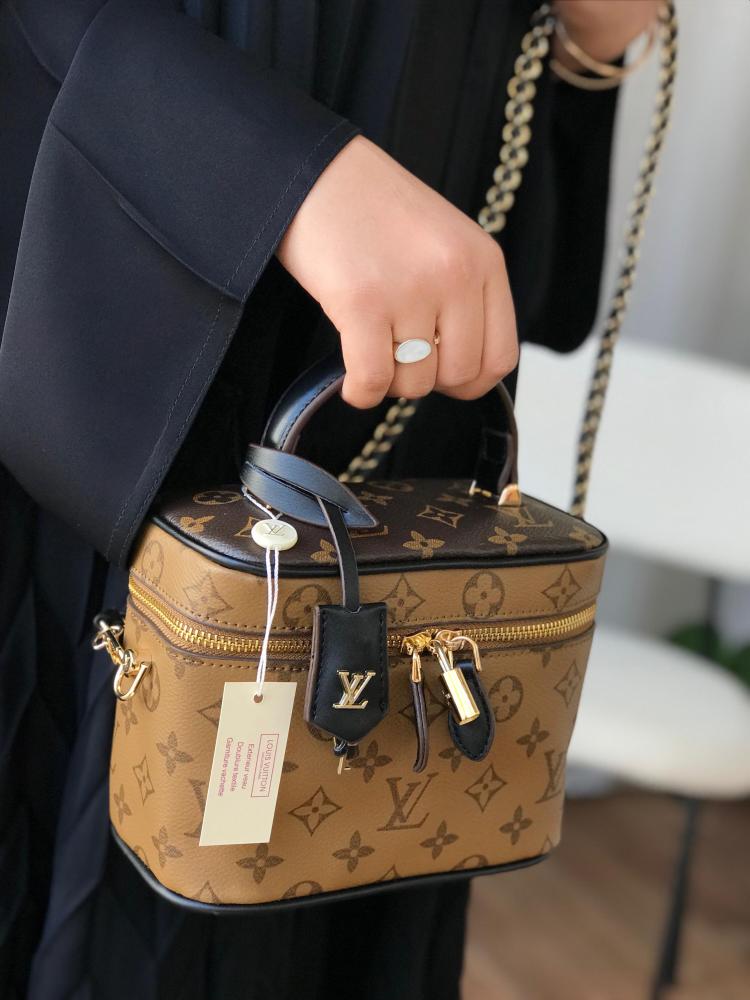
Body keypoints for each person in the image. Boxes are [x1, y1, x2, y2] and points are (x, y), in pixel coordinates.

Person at [0, 2, 659, 997]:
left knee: (367, 841)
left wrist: (592, 37)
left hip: (409, 392)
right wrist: (282, 171)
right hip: (118, 308)